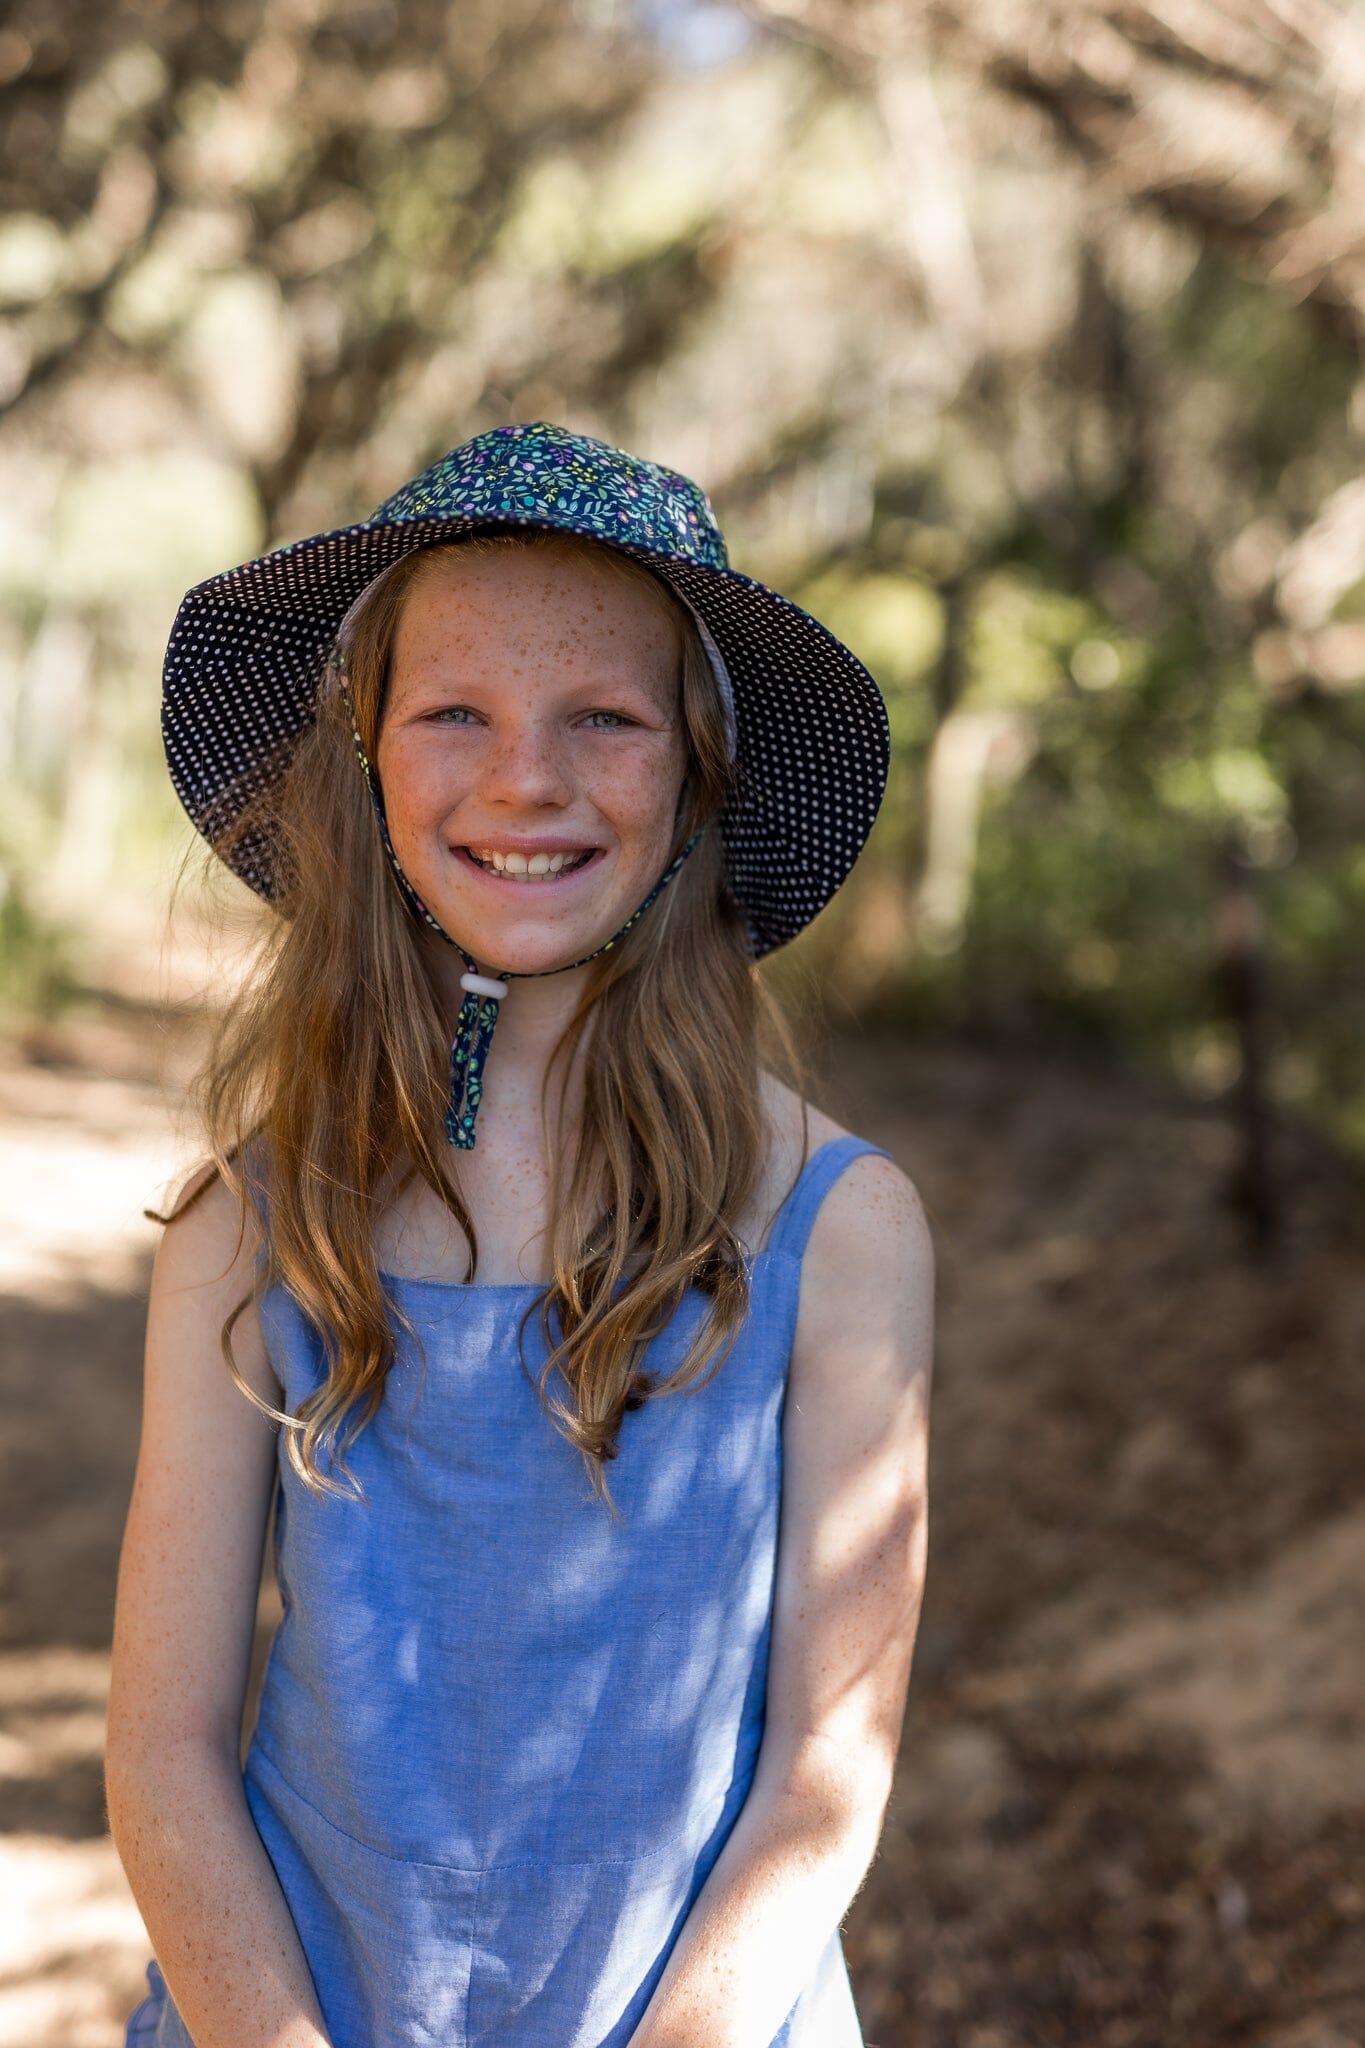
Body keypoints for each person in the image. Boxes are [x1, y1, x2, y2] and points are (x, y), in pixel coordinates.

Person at [106, 421, 934, 2048]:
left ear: (703, 767)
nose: (524, 781)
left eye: (604, 719)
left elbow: (822, 1780)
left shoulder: (835, 1227)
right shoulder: (249, 1230)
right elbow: (165, 1751)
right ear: (367, 762)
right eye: (452, 716)